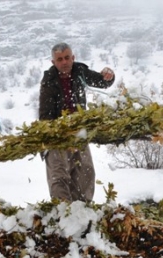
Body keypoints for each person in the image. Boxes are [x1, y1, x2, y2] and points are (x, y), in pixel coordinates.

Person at [39, 42, 115, 203]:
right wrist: (48, 138)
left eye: (67, 58)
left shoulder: (80, 71)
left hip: (79, 132)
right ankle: (63, 211)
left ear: (73, 58)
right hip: (56, 135)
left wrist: (109, 75)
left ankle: (83, 209)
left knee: (85, 172)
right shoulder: (49, 81)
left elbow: (102, 82)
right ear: (54, 62)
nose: (64, 62)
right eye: (60, 59)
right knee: (59, 176)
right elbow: (45, 114)